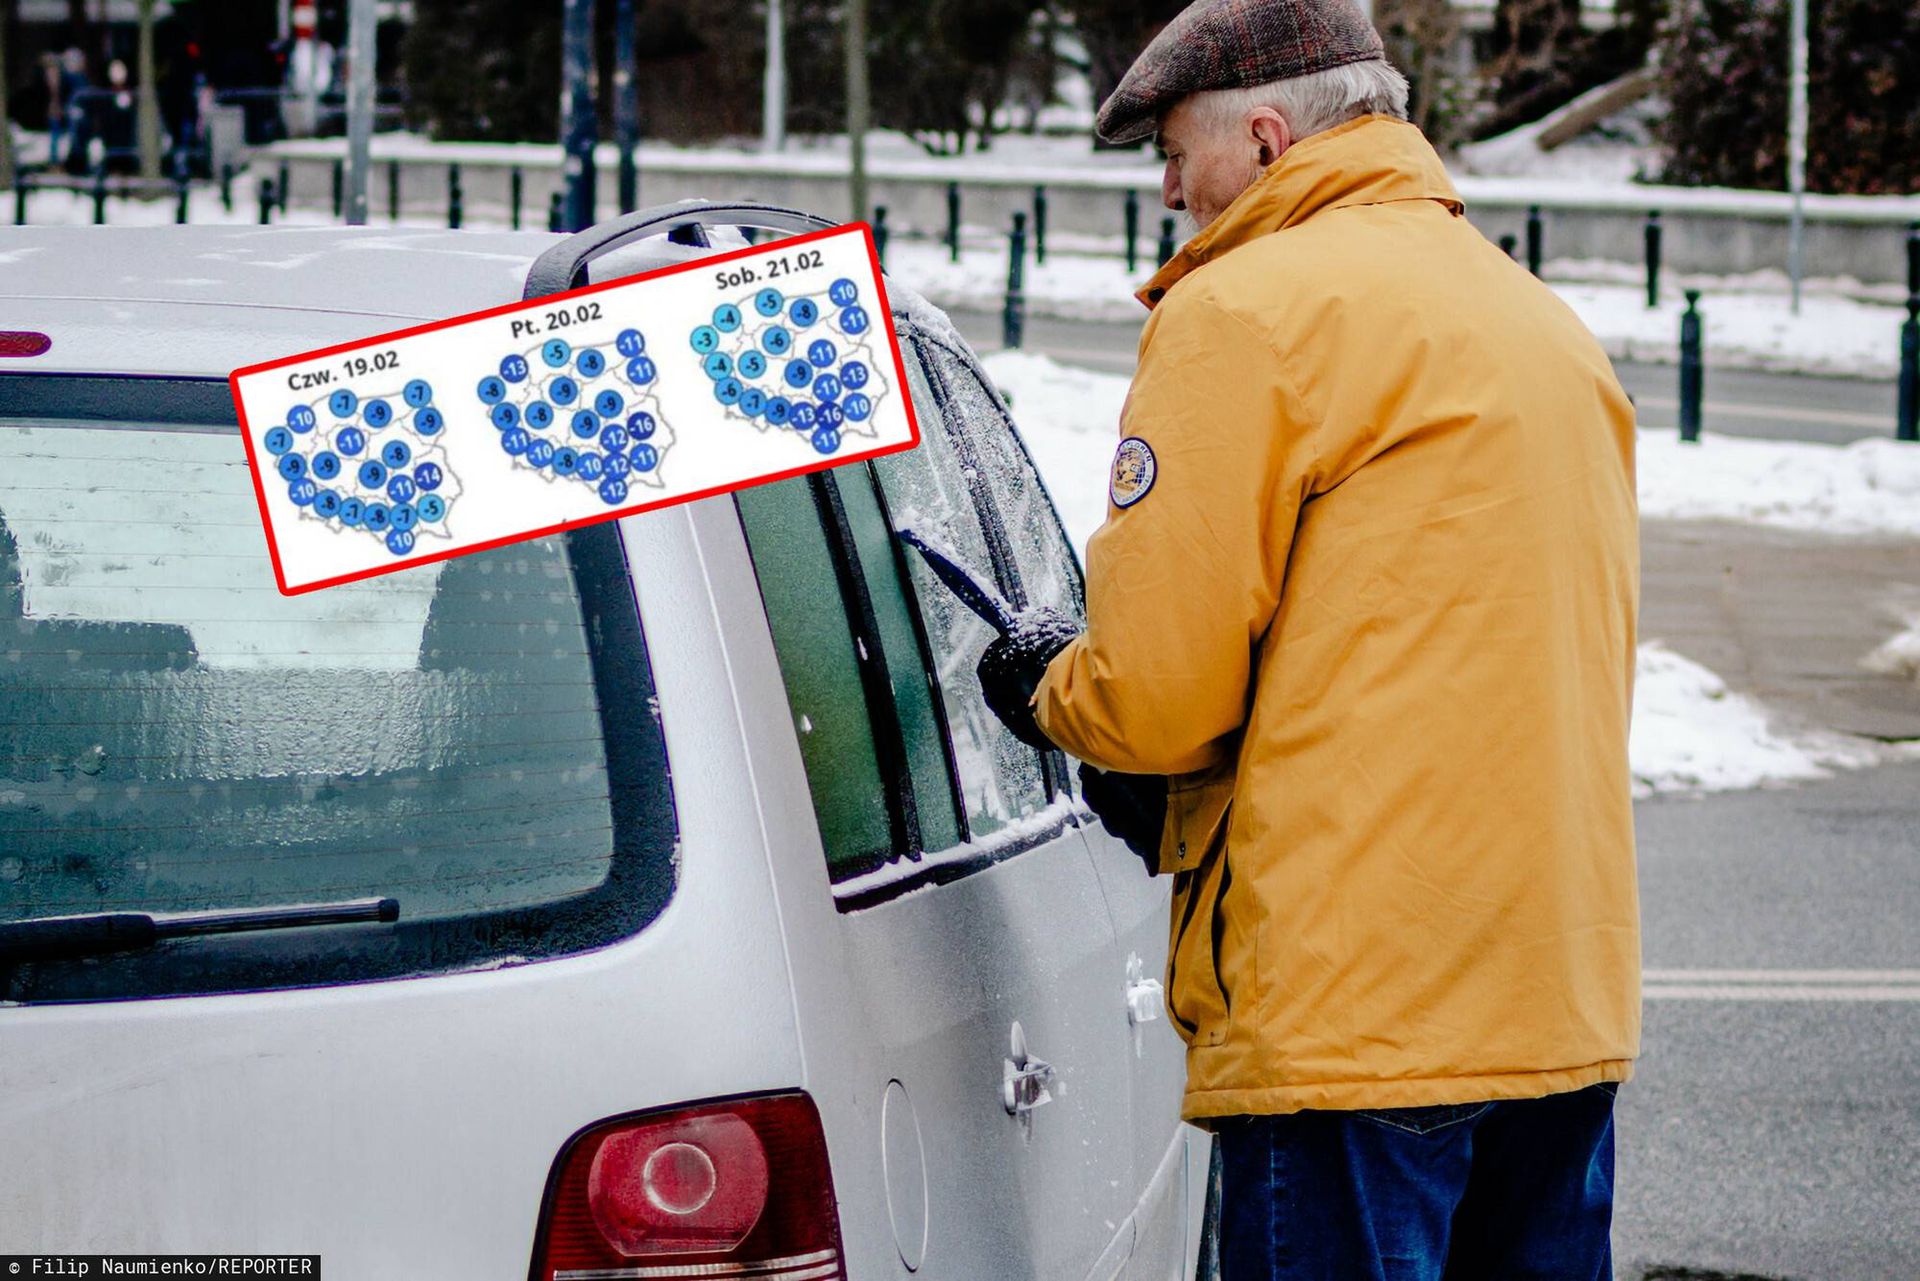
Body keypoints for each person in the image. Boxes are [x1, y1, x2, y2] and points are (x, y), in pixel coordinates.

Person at [975, 0, 1641, 1276]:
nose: (1170, 191)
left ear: (1268, 141)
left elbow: (1153, 700)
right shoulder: (1537, 321)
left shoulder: (1245, 314)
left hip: (1353, 1016)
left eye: (1176, 152)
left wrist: (1043, 683)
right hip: (1556, 1002)